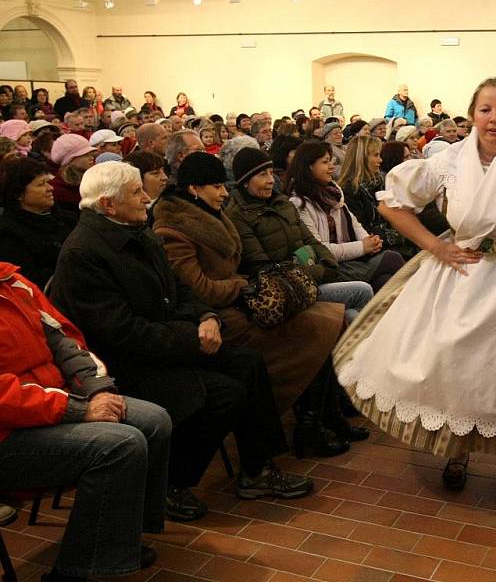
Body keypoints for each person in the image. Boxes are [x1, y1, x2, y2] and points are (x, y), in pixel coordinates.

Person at [50, 161, 314, 522]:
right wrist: (192, 338)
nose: (147, 198)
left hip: (167, 343)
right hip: (125, 365)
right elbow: (120, 331)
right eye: (136, 193)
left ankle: (256, 470)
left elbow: (180, 290)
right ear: (108, 204)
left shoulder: (136, 231)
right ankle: (170, 482)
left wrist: (206, 317)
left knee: (248, 363)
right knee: (222, 394)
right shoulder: (85, 253)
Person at [335, 77, 496, 498]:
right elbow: (391, 203)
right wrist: (435, 245)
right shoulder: (449, 160)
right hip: (462, 274)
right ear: (473, 114)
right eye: (486, 110)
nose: (494, 119)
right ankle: (460, 451)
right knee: (457, 366)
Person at [152, 151, 361, 456]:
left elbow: (309, 244)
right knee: (318, 327)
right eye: (217, 186)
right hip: (222, 317)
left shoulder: (217, 212)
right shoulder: (174, 230)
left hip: (245, 301)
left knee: (331, 320)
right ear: (193, 188)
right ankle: (309, 426)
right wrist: (240, 285)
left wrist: (318, 265)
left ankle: (325, 417)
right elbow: (198, 288)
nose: (225, 192)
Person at [0, 260, 171, 581]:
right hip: (6, 434)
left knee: (153, 420)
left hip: (47, 403)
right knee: (119, 445)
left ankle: (117, 538)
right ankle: (74, 573)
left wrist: (95, 390)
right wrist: (77, 409)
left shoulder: (12, 281)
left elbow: (62, 340)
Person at [226, 147, 373, 323]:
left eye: (271, 173)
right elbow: (262, 267)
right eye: (262, 175)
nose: (271, 180)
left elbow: (311, 239)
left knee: (350, 314)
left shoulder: (282, 204)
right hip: (284, 289)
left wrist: (329, 265)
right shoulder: (238, 216)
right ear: (245, 181)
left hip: (308, 277)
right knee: (362, 292)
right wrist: (319, 272)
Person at [286, 141, 404, 292]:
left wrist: (370, 241)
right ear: (309, 166)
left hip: (350, 260)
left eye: (331, 161)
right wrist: (362, 247)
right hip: (329, 267)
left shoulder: (333, 194)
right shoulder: (299, 203)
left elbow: (354, 224)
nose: (331, 167)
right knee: (391, 258)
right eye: (325, 162)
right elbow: (321, 249)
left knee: (384, 282)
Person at [0, 157, 76, 287]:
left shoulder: (67, 218)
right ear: (19, 194)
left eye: (48, 182)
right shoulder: (9, 234)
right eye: (41, 184)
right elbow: (30, 280)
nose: (50, 188)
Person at [339, 136, 415, 258]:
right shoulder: (349, 190)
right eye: (375, 155)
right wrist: (402, 234)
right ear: (362, 158)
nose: (380, 160)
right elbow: (363, 230)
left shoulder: (379, 181)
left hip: (393, 241)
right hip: (374, 248)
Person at [49, 133, 98, 213]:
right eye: (85, 155)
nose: (91, 158)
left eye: (90, 154)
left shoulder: (93, 179)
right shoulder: (58, 190)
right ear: (70, 159)